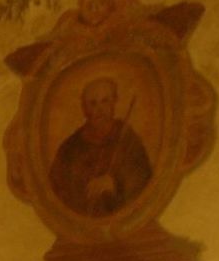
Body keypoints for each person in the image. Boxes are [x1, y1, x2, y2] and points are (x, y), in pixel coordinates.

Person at [48, 76, 152, 215]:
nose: (100, 109)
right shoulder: (70, 148)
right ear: (85, 109)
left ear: (113, 103)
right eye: (93, 103)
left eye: (105, 101)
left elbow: (144, 179)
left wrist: (115, 183)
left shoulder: (128, 139)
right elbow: (56, 191)